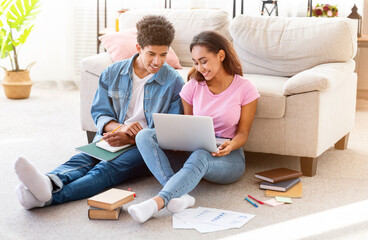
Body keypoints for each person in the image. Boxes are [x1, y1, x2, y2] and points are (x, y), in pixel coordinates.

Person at [14, 15, 185, 210]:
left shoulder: (174, 82)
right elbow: (100, 113)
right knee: (83, 159)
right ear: (138, 48)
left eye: (163, 55)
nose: (157, 61)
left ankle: (48, 198)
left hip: (145, 147)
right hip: (114, 134)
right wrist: (120, 129)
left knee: (105, 169)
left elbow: (169, 133)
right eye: (151, 54)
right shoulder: (111, 73)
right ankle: (48, 181)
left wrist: (131, 138)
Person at [127, 30, 260, 223]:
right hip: (194, 151)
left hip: (229, 157)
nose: (200, 68)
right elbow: (188, 126)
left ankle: (157, 202)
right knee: (144, 135)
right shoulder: (192, 87)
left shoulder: (245, 88)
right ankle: (179, 194)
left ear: (221, 56)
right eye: (196, 62)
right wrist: (177, 141)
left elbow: (243, 134)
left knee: (201, 155)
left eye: (204, 61)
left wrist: (230, 146)